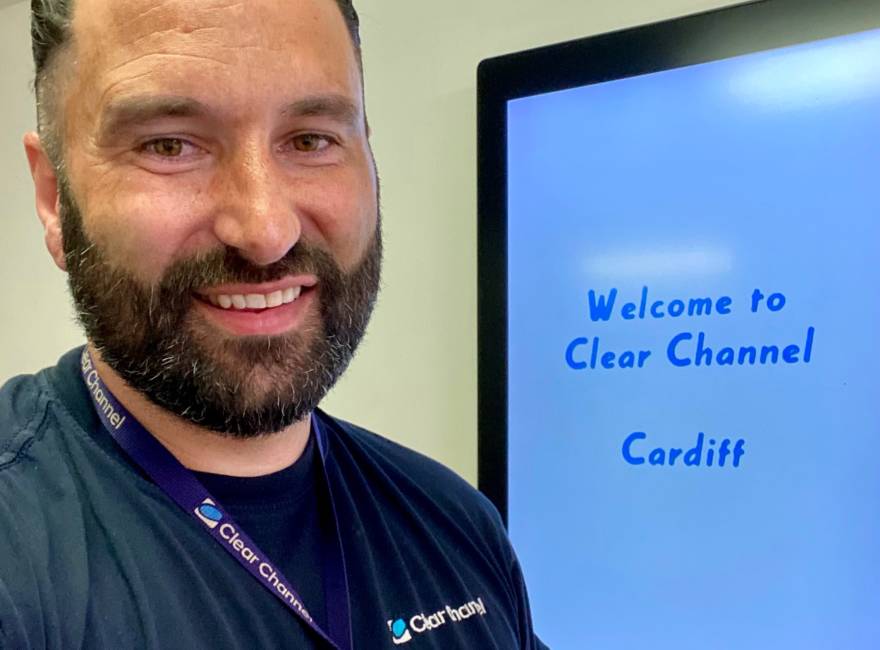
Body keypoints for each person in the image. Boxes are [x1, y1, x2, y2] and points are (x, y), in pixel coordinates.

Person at [0, 0, 547, 648]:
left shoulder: (457, 526)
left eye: (311, 139)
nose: (264, 229)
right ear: (55, 199)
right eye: (169, 145)